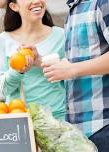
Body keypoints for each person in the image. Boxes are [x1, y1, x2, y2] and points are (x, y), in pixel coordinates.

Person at [42, 0, 109, 151]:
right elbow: (83, 59)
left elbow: (73, 68)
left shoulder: (102, 3)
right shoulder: (74, 9)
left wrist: (71, 70)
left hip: (103, 125)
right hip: (80, 129)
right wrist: (39, 60)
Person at [0, 0, 66, 120]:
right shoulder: (3, 40)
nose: (36, 1)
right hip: (18, 119)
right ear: (14, 6)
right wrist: (17, 71)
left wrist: (41, 61)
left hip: (57, 119)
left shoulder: (61, 35)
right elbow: (1, 91)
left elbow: (71, 76)